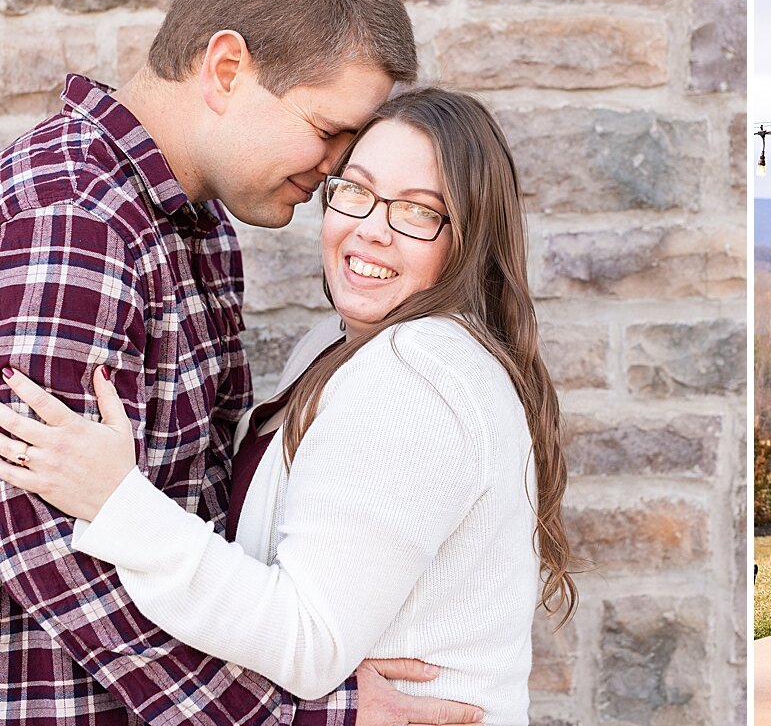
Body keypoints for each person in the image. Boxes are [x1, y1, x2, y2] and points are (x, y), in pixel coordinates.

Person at [0, 0, 482, 725]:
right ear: (226, 69)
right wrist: (302, 713)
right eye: (328, 130)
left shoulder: (200, 225)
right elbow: (39, 543)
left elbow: (199, 515)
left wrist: (307, 652)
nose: (335, 168)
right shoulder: (75, 220)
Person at [0, 88, 574, 724]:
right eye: (356, 190)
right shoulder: (331, 346)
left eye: (417, 212)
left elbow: (308, 640)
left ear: (468, 240)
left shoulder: (417, 373)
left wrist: (114, 500)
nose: (372, 229)